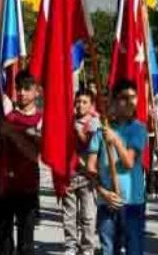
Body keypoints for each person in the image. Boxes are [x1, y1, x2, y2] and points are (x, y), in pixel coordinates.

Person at [86, 79, 149, 255]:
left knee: (133, 249)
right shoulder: (101, 131)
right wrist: (103, 192)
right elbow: (90, 168)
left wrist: (115, 140)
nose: (130, 102)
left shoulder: (138, 129)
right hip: (107, 202)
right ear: (114, 101)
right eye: (124, 98)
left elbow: (129, 162)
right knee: (108, 249)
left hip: (132, 202)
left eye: (133, 97)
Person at [0, 70, 43, 255]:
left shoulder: (41, 120)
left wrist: (15, 133)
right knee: (3, 243)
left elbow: (35, 152)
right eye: (19, 88)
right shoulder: (7, 116)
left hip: (26, 186)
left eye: (27, 89)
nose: (21, 92)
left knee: (25, 243)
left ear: (37, 91)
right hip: (3, 186)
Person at [64, 88, 101, 255]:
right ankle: (70, 246)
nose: (80, 105)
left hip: (88, 176)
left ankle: (87, 247)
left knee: (88, 216)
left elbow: (92, 144)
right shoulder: (68, 120)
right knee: (69, 215)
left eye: (84, 102)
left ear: (91, 105)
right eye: (78, 101)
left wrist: (77, 131)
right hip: (70, 175)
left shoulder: (94, 123)